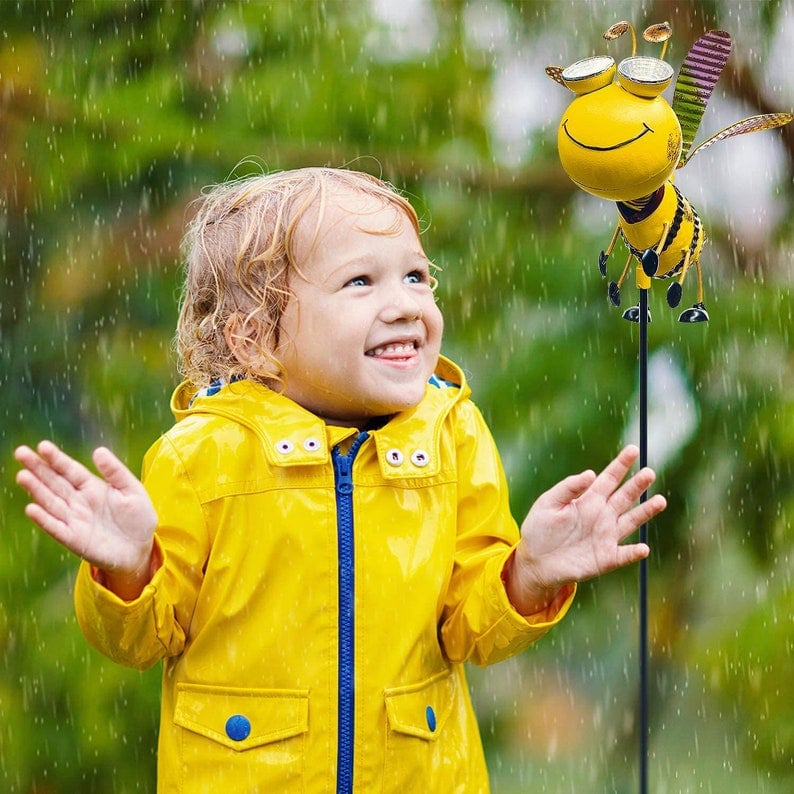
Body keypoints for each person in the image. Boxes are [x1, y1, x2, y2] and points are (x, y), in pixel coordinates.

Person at [14, 167, 666, 793]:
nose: (405, 304)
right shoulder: (202, 457)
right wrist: (126, 572)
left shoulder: (452, 436)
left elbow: (470, 629)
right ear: (252, 339)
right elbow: (140, 640)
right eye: (361, 282)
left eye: (416, 276)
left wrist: (529, 574)